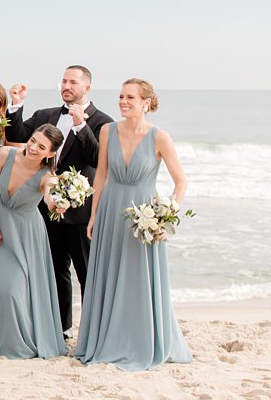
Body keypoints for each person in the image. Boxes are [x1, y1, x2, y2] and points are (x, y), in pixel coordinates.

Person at [76, 80, 193, 371]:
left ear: (147, 102)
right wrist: (94, 215)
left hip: (144, 214)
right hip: (111, 210)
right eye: (120, 96)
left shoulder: (159, 137)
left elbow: (181, 181)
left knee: (138, 278)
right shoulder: (106, 131)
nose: (123, 101)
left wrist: (166, 218)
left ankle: (139, 340)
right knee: (109, 275)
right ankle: (106, 340)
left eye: (130, 97)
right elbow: (101, 175)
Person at [5, 65, 113, 334]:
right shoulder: (45, 115)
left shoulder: (102, 121)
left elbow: (98, 160)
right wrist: (17, 106)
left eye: (73, 82)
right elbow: (17, 136)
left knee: (86, 271)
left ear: (86, 88)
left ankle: (94, 329)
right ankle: (60, 327)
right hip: (44, 207)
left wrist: (80, 126)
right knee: (55, 270)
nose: (66, 86)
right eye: (64, 81)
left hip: (79, 211)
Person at [0, 125, 69, 359]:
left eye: (41, 147)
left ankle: (18, 344)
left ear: (50, 153)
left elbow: (49, 197)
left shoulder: (47, 177)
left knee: (14, 290)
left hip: (26, 236)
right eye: (32, 141)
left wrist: (57, 203)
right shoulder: (4, 154)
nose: (33, 148)